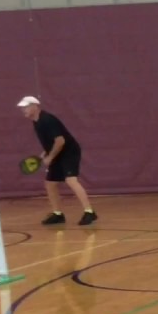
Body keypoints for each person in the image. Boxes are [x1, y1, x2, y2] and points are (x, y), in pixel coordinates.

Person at [17, 96, 96, 226]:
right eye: (22, 107)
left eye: (26, 107)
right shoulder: (36, 121)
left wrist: (50, 158)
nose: (23, 110)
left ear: (35, 106)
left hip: (69, 152)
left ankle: (89, 212)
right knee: (50, 183)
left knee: (71, 180)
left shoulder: (47, 120)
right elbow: (52, 141)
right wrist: (45, 153)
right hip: (57, 152)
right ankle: (58, 214)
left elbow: (60, 141)